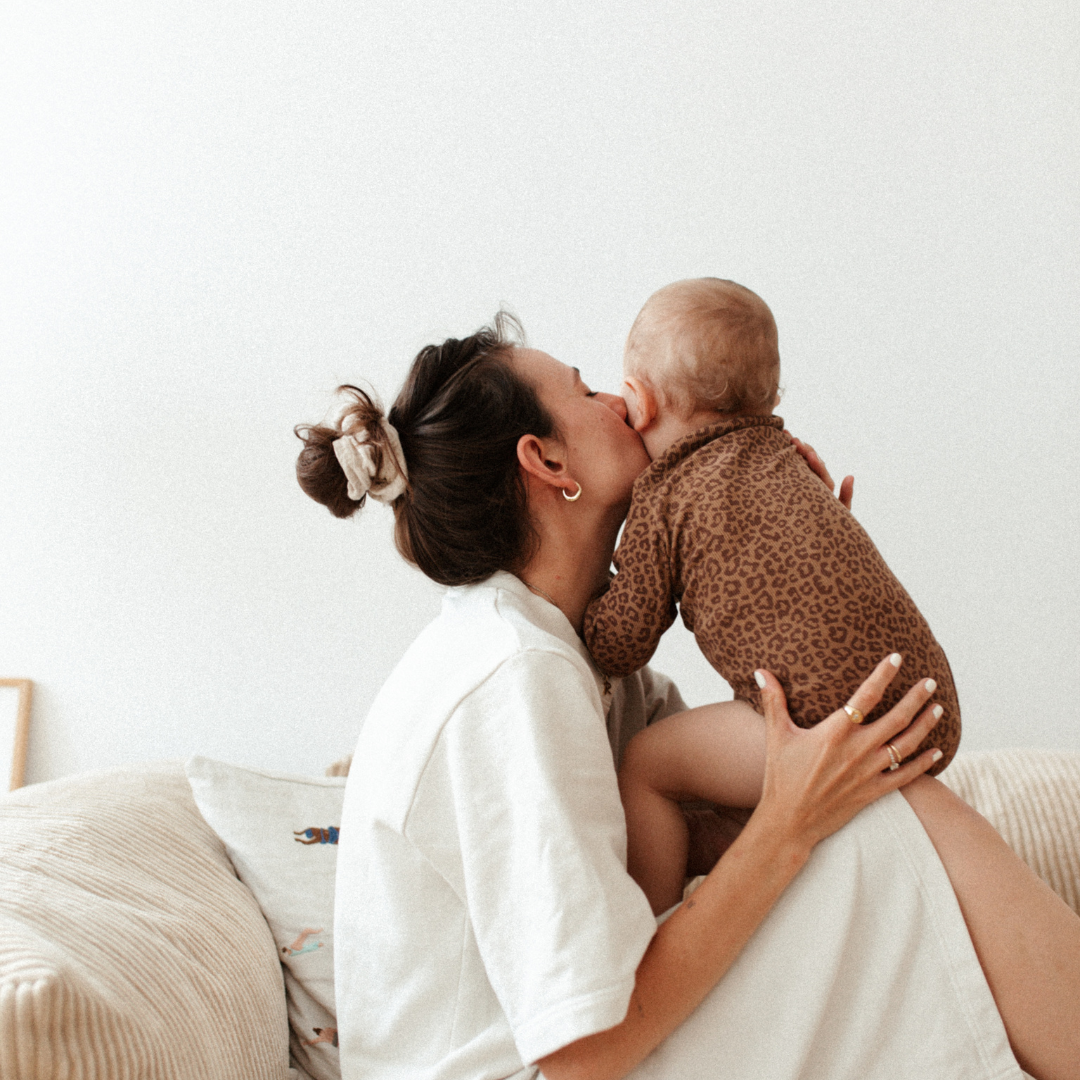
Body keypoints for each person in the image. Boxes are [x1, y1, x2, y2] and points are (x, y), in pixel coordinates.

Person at [295, 314, 1080, 1080]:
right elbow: (581, 1054)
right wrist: (789, 825)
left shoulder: (577, 660)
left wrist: (802, 563)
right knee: (891, 813)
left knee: (864, 803)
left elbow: (728, 819)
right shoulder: (509, 674)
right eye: (587, 391)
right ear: (547, 462)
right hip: (553, 1067)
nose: (619, 401)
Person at [582, 276, 962, 914]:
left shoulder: (665, 494)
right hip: (929, 710)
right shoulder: (793, 460)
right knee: (718, 810)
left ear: (639, 402)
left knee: (648, 766)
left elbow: (620, 644)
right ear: (771, 395)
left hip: (826, 726)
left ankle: (650, 928)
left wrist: (591, 602)